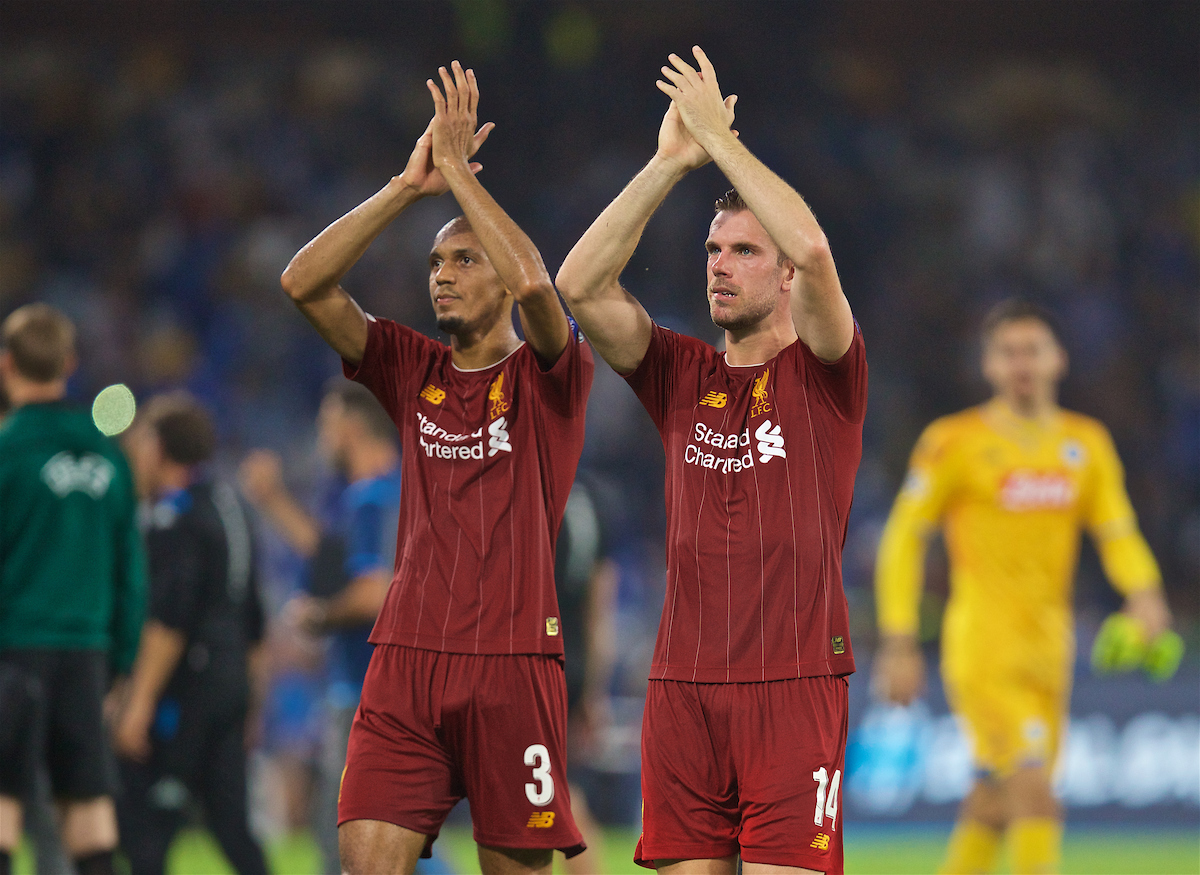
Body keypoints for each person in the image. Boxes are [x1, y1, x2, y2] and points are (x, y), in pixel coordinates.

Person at [556, 46, 867, 875]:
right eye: (712, 249)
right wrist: (669, 162)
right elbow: (579, 286)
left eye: (743, 251)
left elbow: (816, 245)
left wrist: (723, 142)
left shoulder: (826, 373)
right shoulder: (680, 374)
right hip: (682, 689)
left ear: (786, 273)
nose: (720, 266)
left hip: (793, 686)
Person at [280, 61, 593, 875]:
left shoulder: (548, 378)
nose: (443, 276)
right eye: (434, 265)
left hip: (514, 663)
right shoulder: (409, 367)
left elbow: (536, 283)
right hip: (406, 660)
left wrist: (459, 175)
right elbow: (304, 283)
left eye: (462, 261)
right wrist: (404, 189)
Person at [872, 299, 1174, 875]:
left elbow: (1117, 533)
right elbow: (904, 540)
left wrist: (1146, 594)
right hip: (983, 646)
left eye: (1032, 350)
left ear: (1058, 358)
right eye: (1008, 353)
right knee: (1035, 794)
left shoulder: (1086, 444)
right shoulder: (953, 442)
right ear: (988, 365)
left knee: (992, 804)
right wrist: (900, 639)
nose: (1021, 364)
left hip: (1049, 650)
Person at [0, 303, 147, 875]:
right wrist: (121, 660)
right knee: (88, 803)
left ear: (7, 364)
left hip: (14, 649)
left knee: (4, 797)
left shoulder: (8, 453)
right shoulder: (109, 456)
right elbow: (130, 571)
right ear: (70, 363)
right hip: (87, 654)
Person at [238, 381, 402, 875]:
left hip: (368, 689)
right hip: (380, 685)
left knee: (351, 837)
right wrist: (274, 501)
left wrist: (317, 617)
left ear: (350, 428)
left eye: (327, 428)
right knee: (376, 834)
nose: (322, 439)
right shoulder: (389, 491)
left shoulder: (372, 499)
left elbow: (375, 593)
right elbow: (331, 561)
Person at [112, 393, 269, 875]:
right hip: (230, 684)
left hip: (186, 693)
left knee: (145, 825)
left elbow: (170, 620)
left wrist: (138, 703)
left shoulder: (173, 516)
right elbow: (255, 621)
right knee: (231, 826)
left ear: (158, 447)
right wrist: (252, 705)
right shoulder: (233, 506)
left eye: (139, 442)